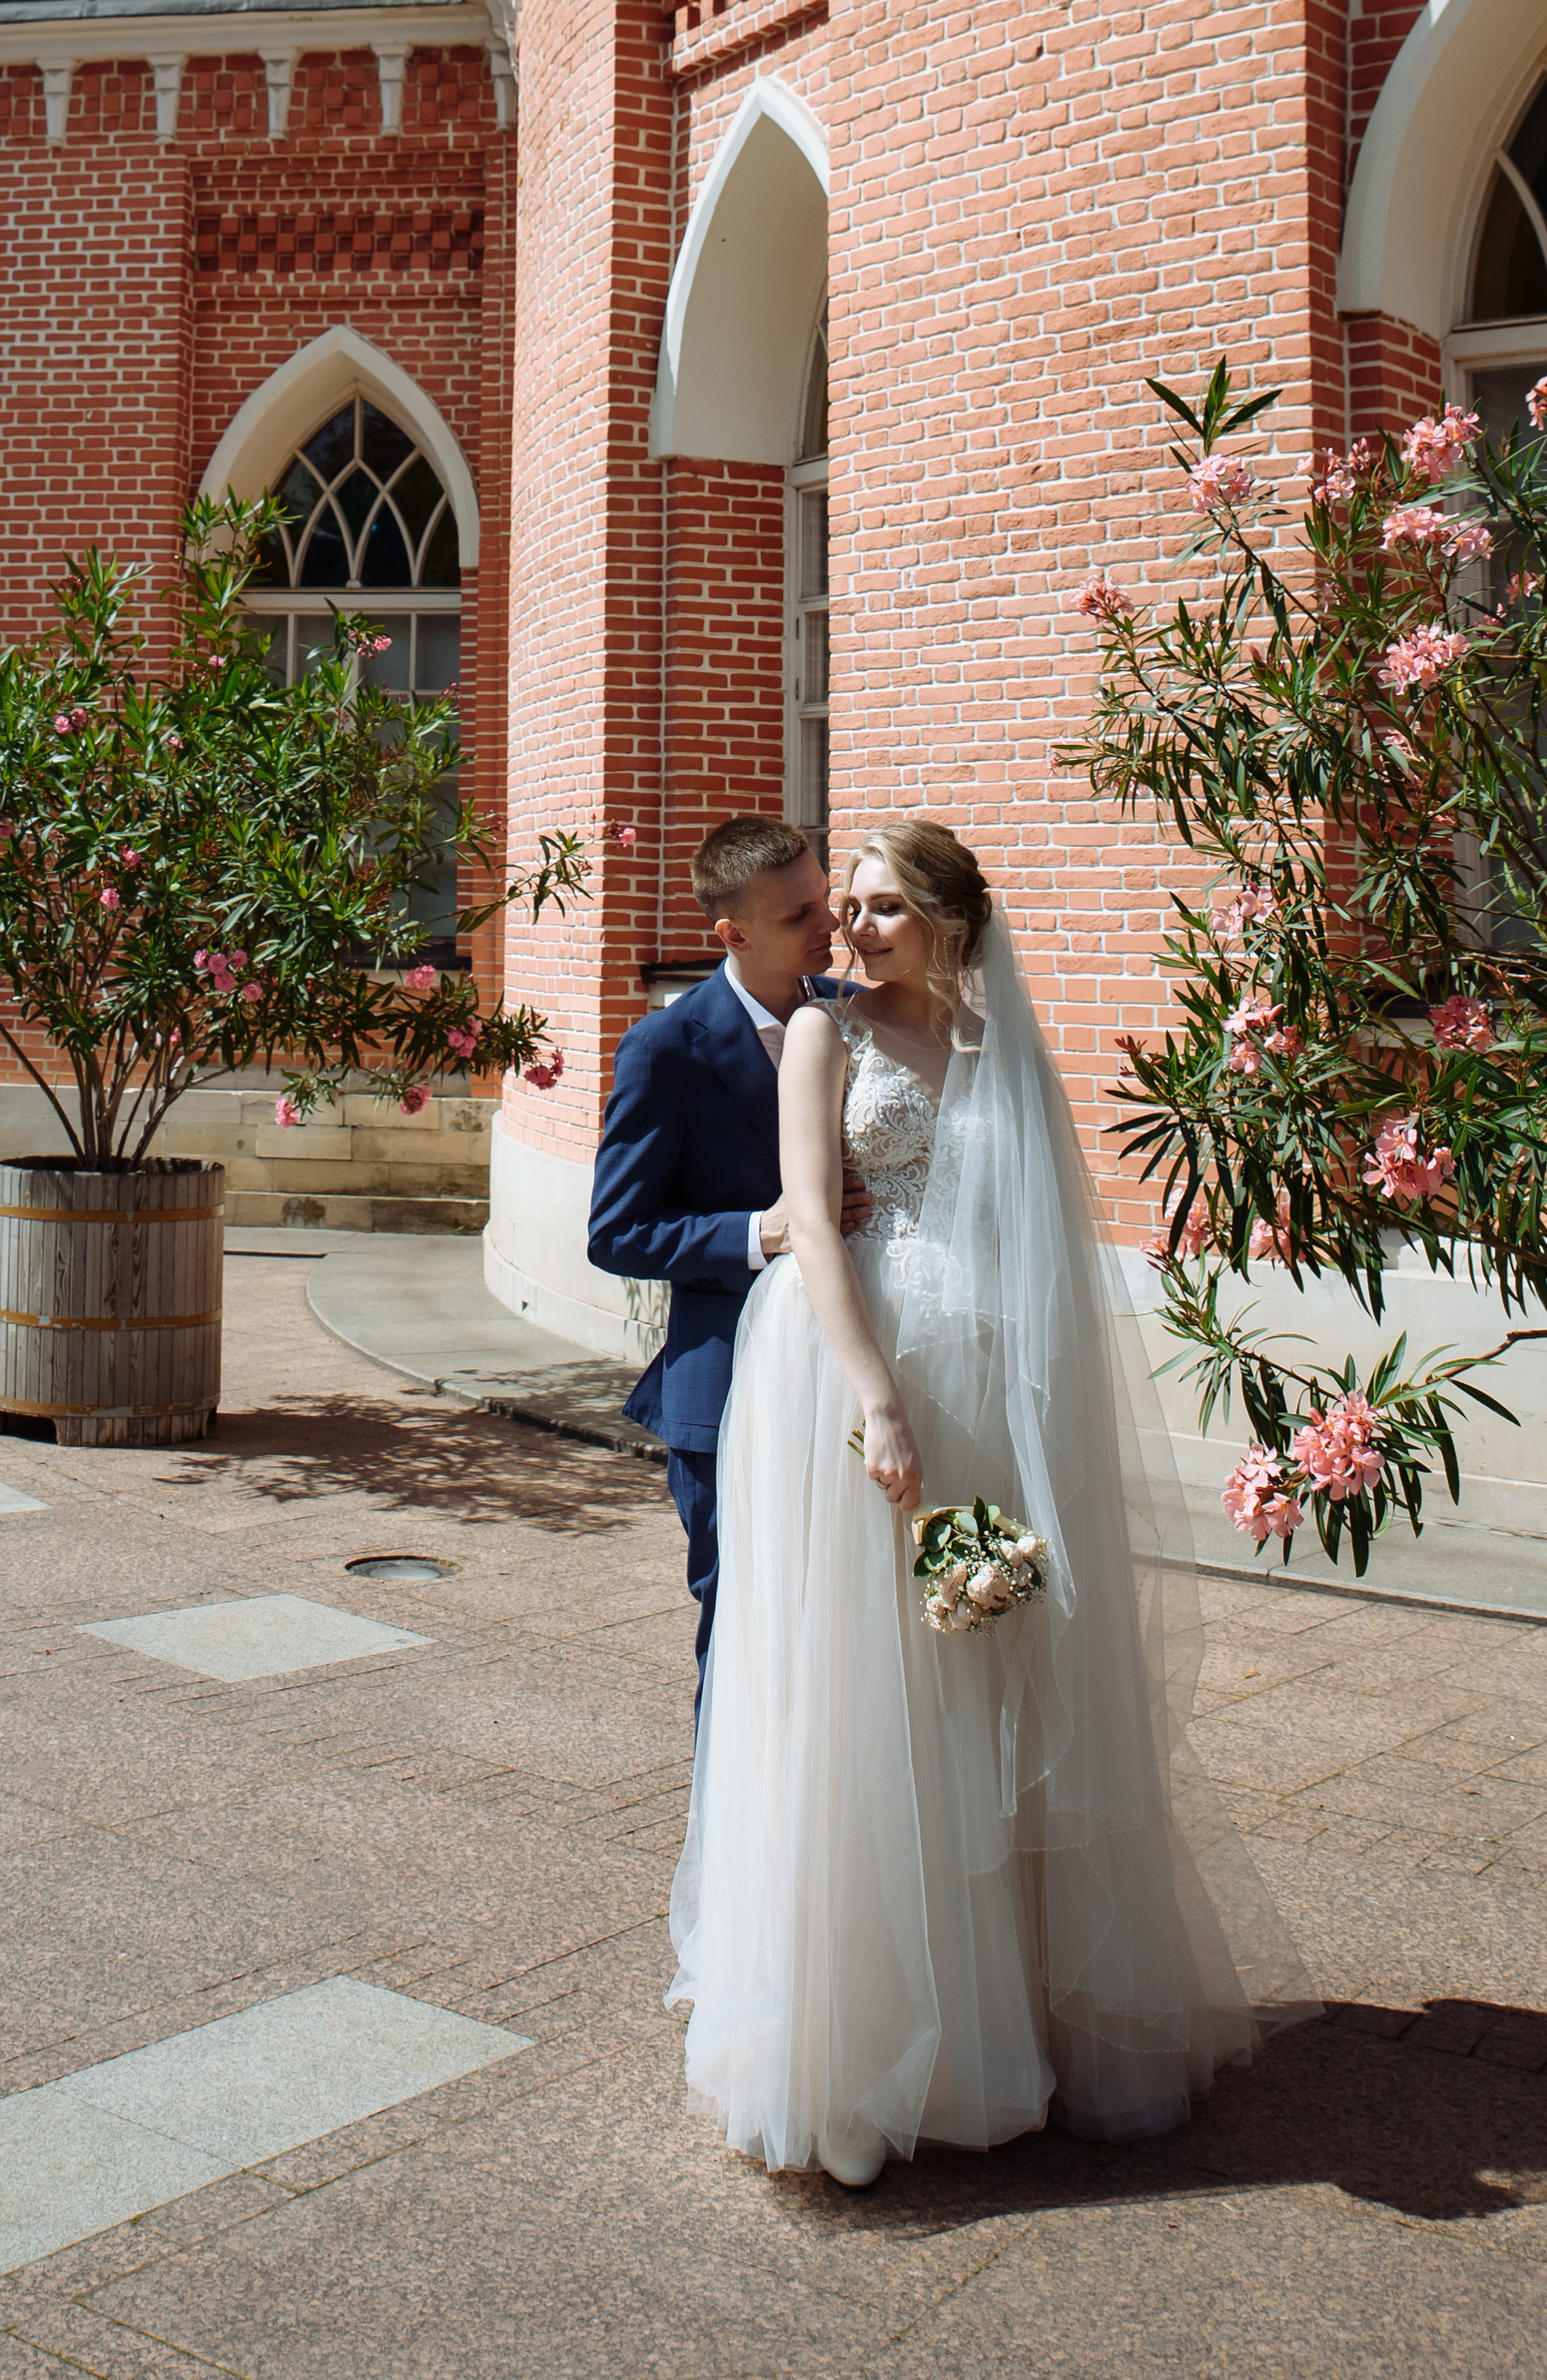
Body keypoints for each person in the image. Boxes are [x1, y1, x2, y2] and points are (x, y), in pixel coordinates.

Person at [669, 816, 1302, 2183]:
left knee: (982, 1668)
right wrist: (874, 1394)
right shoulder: (826, 1036)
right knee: (859, 1682)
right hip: (847, 1380)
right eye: (850, 905)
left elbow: (1046, 1248)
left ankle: (1001, 2020)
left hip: (986, 1396)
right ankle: (864, 2031)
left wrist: (1035, 1405)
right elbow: (813, 1226)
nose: (855, 927)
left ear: (953, 918)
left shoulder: (1004, 1047)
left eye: (886, 905)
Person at [585, 817, 860, 1688]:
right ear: (731, 934)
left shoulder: (858, 1019)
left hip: (853, 1376)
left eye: (827, 899)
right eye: (798, 916)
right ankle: (726, 1822)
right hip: (727, 1383)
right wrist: (761, 1232)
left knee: (846, 1625)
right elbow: (616, 1231)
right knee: (742, 1622)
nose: (830, 927)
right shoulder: (666, 1047)